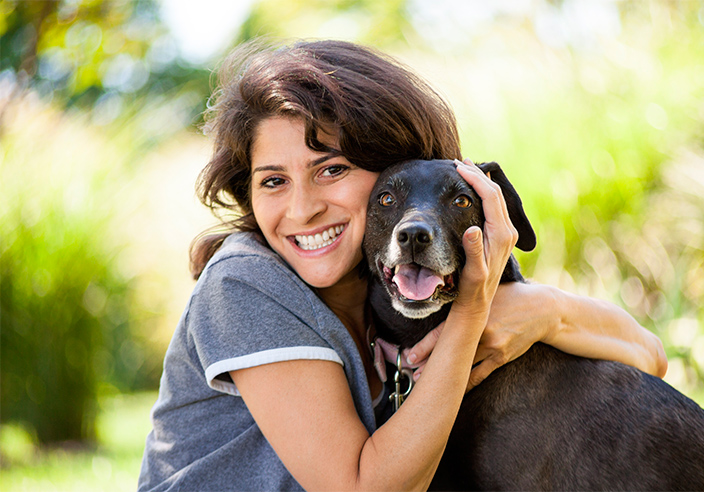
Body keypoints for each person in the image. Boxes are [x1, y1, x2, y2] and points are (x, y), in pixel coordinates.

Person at [138, 39, 667, 491]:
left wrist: (544, 309)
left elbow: (649, 356)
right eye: (273, 181)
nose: (301, 209)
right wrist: (471, 313)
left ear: (398, 169)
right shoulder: (244, 284)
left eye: (333, 169)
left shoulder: (401, 286)